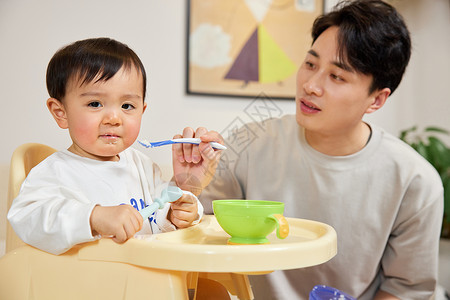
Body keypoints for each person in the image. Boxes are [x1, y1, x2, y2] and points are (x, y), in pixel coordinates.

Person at [174, 0, 444, 299]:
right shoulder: (249, 142)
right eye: (311, 64)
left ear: (377, 100)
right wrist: (189, 188)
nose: (311, 85)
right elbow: (192, 234)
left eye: (337, 76)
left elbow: (406, 290)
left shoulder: (415, 181)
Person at [7, 37, 224, 256]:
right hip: (87, 285)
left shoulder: (142, 166)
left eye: (127, 106)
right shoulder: (55, 172)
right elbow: (26, 217)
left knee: (214, 291)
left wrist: (180, 203)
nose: (113, 118)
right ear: (60, 112)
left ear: (142, 110)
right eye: (95, 104)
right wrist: (94, 217)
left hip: (145, 277)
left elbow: (160, 212)